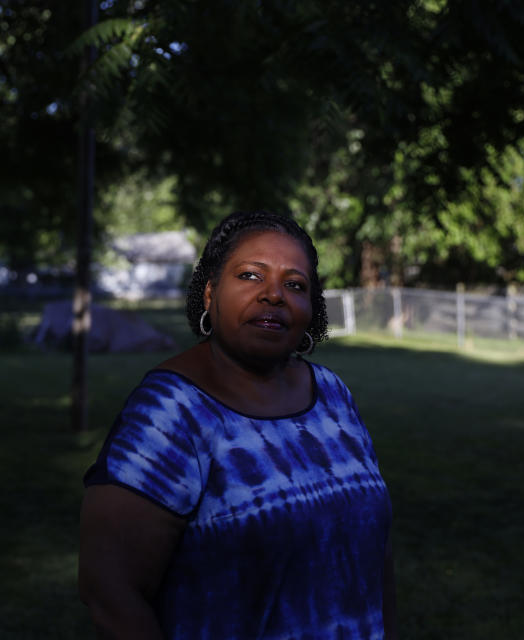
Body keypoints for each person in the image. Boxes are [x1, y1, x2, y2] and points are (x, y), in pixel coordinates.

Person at [78, 210, 396, 639]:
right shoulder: (170, 412)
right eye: (250, 275)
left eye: (295, 284)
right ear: (210, 294)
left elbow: (376, 556)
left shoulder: (334, 395)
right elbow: (111, 596)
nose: (274, 295)